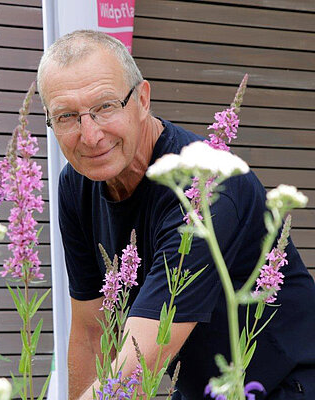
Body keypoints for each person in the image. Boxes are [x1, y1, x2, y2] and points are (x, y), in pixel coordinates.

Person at [36, 30, 315, 400]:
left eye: (105, 106)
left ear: (143, 99)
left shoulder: (209, 189)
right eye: (67, 116)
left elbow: (139, 367)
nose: (90, 136)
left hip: (289, 384)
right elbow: (92, 330)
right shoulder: (76, 183)